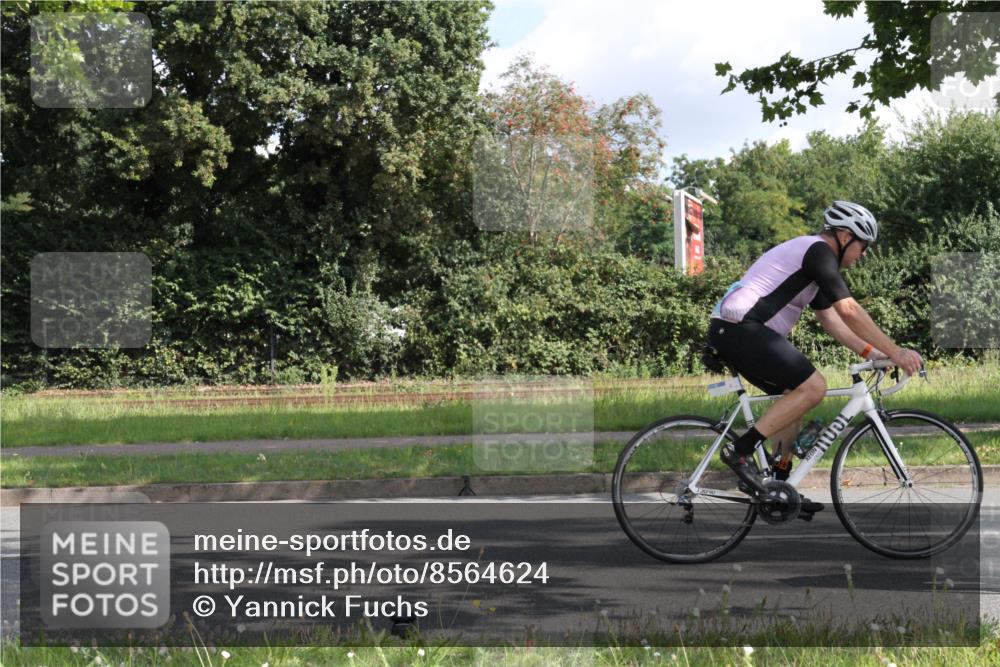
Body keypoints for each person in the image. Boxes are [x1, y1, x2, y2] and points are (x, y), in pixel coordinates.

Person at [706, 201, 924, 511]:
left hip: (737, 330)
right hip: (742, 327)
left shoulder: (814, 263)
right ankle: (739, 451)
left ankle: (779, 487)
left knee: (794, 397)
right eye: (864, 246)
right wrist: (897, 352)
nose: (864, 255)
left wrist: (874, 354)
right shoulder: (818, 252)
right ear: (846, 236)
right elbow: (849, 309)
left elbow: (832, 320)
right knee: (814, 387)